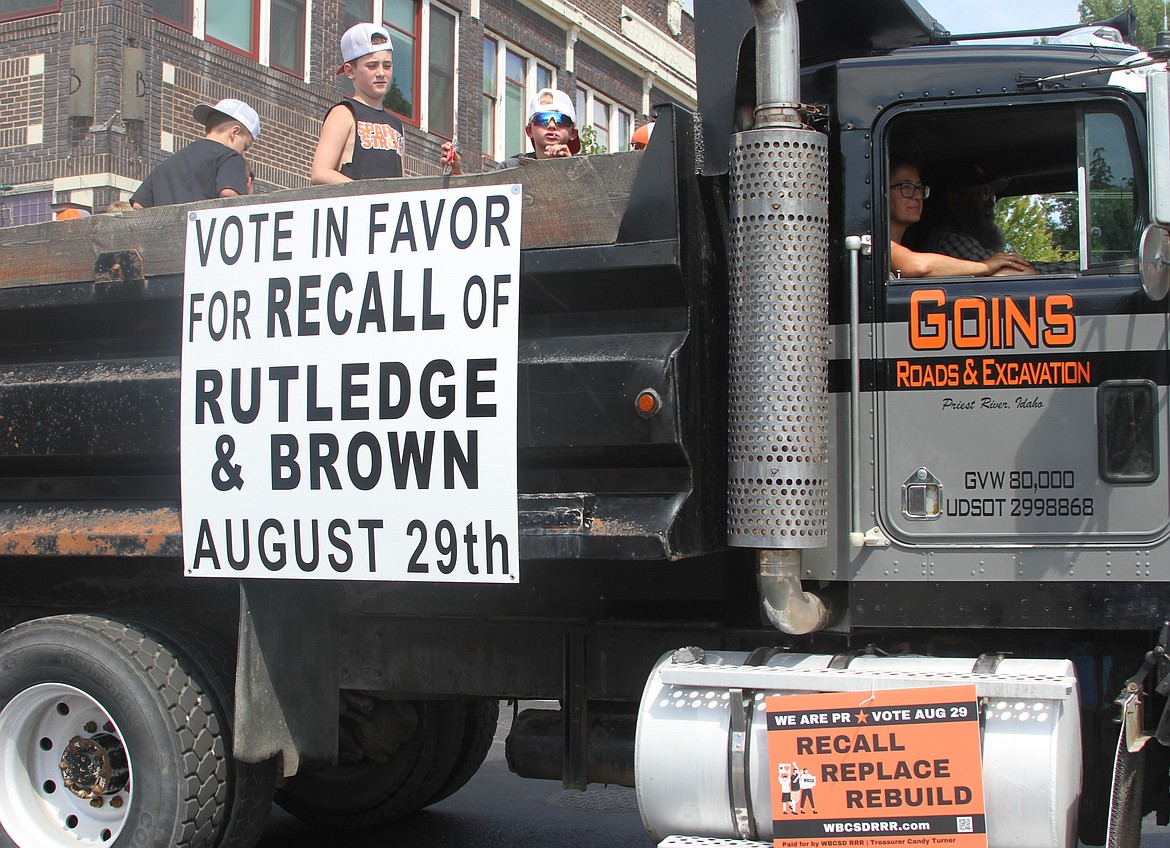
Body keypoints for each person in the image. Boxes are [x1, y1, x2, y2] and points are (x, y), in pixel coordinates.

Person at [888, 162, 1029, 278]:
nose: (917, 195)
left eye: (919, 188)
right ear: (881, 192)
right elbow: (918, 265)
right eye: (906, 187)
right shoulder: (876, 242)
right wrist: (985, 266)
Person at [924, 164, 1074, 274]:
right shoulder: (946, 241)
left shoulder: (966, 239)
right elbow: (1014, 270)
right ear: (954, 201)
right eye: (983, 195)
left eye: (992, 196)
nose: (991, 203)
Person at [312, 23, 406, 184]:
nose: (381, 73)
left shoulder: (397, 125)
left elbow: (402, 183)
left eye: (387, 65)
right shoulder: (344, 113)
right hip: (355, 207)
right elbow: (320, 173)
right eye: (372, 65)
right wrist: (368, 194)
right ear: (350, 71)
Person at [130, 99, 258, 209]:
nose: (242, 153)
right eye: (245, 147)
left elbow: (138, 205)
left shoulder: (167, 164)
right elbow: (228, 194)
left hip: (166, 235)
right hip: (202, 235)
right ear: (235, 132)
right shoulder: (230, 157)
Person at [442, 87, 580, 175]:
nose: (551, 125)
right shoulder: (510, 168)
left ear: (573, 132)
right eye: (542, 119)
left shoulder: (585, 171)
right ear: (529, 130)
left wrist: (569, 169)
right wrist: (457, 174)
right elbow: (482, 198)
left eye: (561, 119)